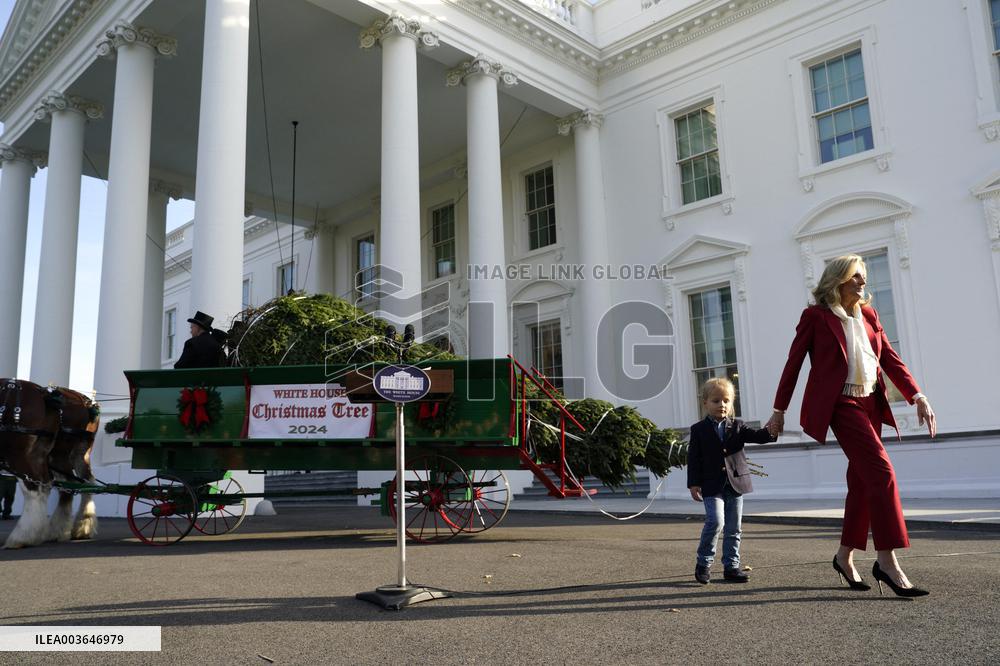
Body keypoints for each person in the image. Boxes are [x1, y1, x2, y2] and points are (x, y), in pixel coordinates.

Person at [766, 254, 937, 598]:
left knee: (862, 483)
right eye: (856, 276)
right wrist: (778, 410)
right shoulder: (816, 317)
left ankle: (844, 558)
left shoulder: (870, 315)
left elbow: (889, 358)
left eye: (863, 277)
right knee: (882, 472)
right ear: (837, 281)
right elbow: (794, 364)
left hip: (871, 401)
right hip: (842, 404)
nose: (863, 282)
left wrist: (917, 395)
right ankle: (886, 561)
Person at [687, 377, 776, 585]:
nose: (722, 405)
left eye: (726, 400)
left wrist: (773, 427)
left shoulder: (738, 426)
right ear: (705, 403)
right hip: (711, 484)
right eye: (716, 401)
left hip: (735, 483)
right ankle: (703, 563)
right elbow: (693, 458)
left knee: (734, 527)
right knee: (716, 521)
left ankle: (731, 567)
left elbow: (760, 436)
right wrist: (693, 483)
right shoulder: (698, 429)